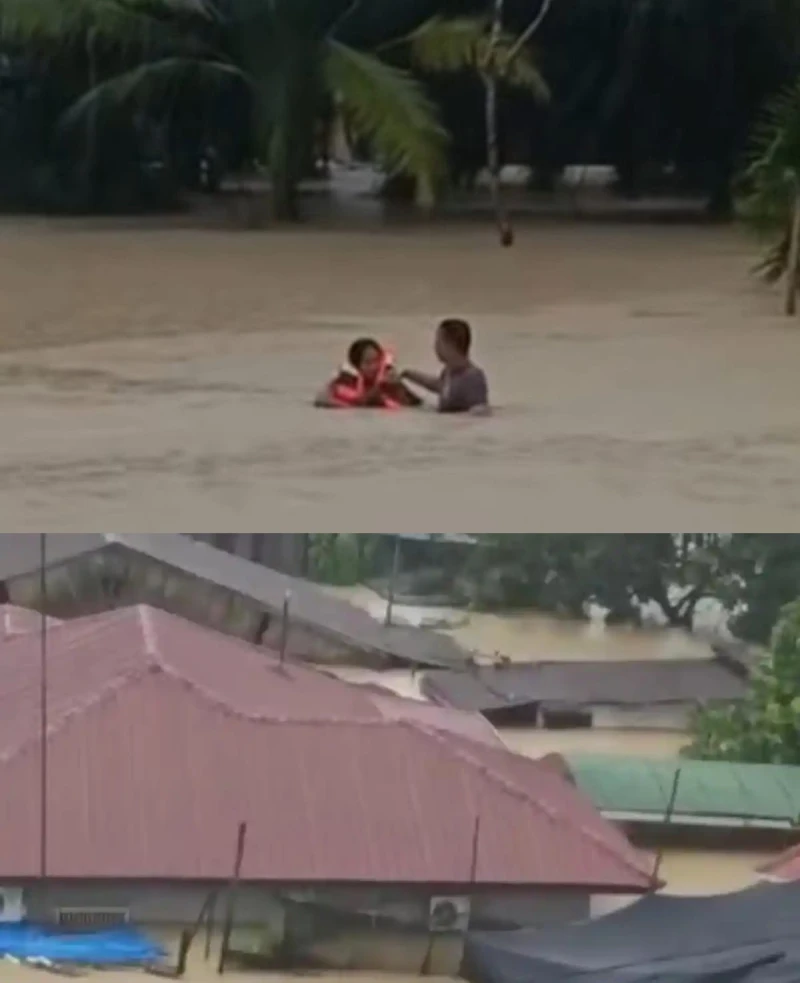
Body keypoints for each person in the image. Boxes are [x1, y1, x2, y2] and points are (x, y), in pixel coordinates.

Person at [401, 318, 490, 414]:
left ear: (449, 344)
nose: (435, 347)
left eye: (438, 341)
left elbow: (480, 411)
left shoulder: (473, 377)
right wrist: (408, 374)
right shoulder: (449, 372)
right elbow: (440, 385)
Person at [314, 337, 422, 409]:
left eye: (377, 360)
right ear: (356, 366)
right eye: (368, 363)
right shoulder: (346, 381)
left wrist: (397, 387)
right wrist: (379, 387)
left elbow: (416, 404)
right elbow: (360, 403)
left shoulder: (389, 380)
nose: (374, 366)